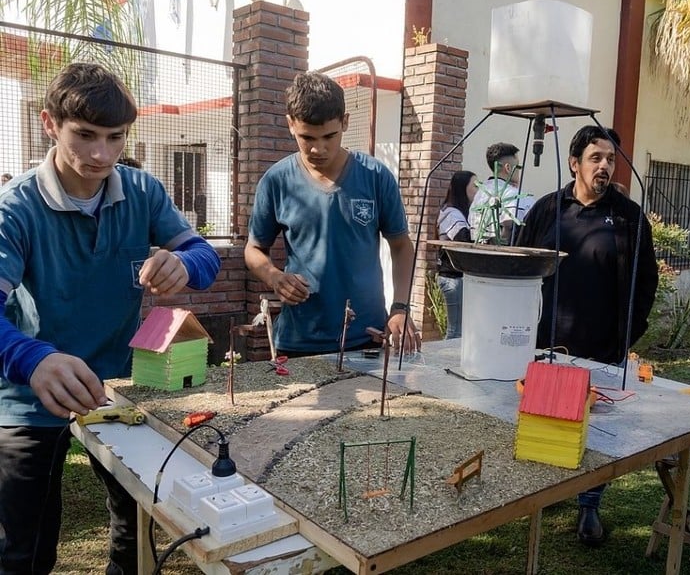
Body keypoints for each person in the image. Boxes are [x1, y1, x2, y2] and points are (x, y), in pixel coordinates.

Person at [0, 63, 221, 574]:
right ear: (49, 124)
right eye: (85, 135)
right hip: (28, 394)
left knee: (136, 524)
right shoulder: (15, 209)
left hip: (118, 389)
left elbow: (205, 258)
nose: (101, 154)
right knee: (24, 551)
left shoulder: (143, 192)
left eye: (115, 137)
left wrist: (182, 262)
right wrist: (32, 359)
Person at [516, 125, 658, 546]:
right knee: (543, 417)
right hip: (545, 344)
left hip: (601, 345)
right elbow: (520, 268)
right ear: (574, 163)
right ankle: (542, 494)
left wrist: (627, 335)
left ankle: (589, 504)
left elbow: (645, 280)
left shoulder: (629, 216)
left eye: (611, 159)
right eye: (596, 158)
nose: (605, 167)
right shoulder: (546, 210)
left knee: (596, 428)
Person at [245, 71, 420, 357]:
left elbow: (401, 246)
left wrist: (400, 307)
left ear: (346, 122)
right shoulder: (276, 181)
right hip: (298, 340)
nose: (318, 148)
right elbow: (253, 249)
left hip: (366, 336)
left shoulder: (375, 177)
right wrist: (275, 277)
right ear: (291, 125)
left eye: (329, 136)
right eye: (307, 137)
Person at [436, 170, 478, 339]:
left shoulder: (460, 212)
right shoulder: (452, 213)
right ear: (462, 189)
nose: (478, 191)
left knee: (460, 330)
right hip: (452, 278)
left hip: (458, 278)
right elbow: (464, 240)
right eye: (475, 186)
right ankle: (446, 364)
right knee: (455, 331)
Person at [468, 142, 535, 244]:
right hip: (507, 256)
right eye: (518, 167)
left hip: (478, 253)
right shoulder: (516, 196)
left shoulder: (479, 196)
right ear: (508, 168)